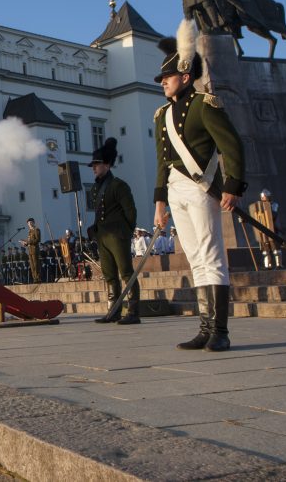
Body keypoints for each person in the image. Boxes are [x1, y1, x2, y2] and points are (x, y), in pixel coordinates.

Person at [152, 32, 246, 352]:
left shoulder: (204, 105)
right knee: (194, 259)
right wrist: (160, 203)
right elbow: (162, 162)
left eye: (168, 77)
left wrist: (232, 186)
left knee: (211, 256)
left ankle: (220, 330)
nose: (163, 83)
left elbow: (231, 144)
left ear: (186, 76)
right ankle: (205, 328)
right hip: (176, 191)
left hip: (200, 187)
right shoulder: (161, 116)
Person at [87, 138, 140, 325]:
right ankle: (114, 311)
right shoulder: (96, 188)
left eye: (97, 164)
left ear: (107, 165)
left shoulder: (119, 185)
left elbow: (130, 212)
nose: (93, 168)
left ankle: (133, 311)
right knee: (109, 275)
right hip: (103, 236)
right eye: (93, 165)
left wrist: (126, 231)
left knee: (126, 272)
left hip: (117, 235)